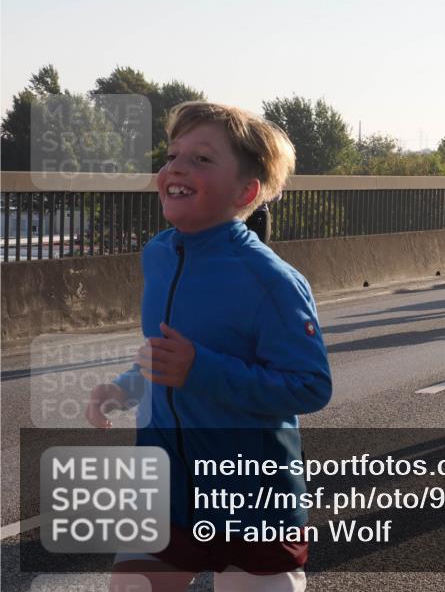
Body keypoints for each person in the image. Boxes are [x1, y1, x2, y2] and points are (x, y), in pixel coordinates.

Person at [88, 101, 332, 592]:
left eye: (201, 158)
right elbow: (166, 354)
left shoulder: (272, 280)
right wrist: (124, 388)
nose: (176, 166)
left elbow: (310, 386)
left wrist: (202, 370)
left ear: (246, 190)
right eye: (173, 154)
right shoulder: (158, 254)